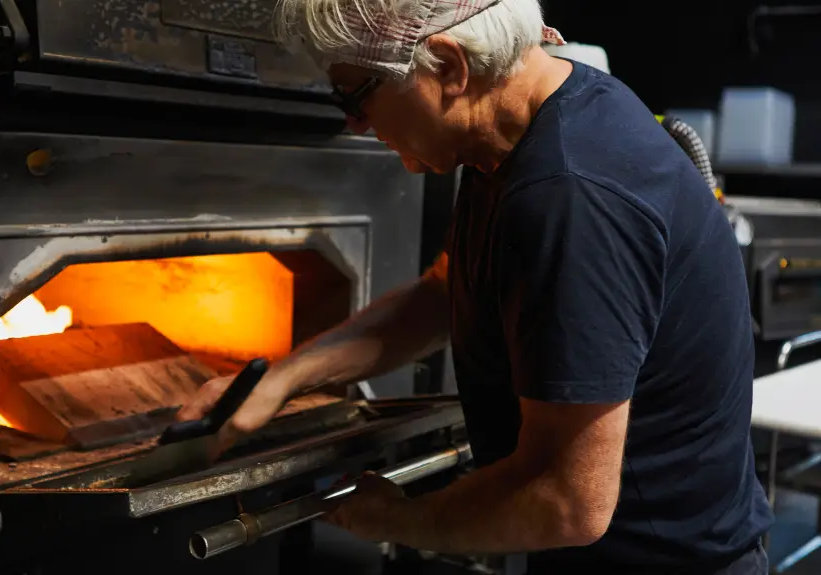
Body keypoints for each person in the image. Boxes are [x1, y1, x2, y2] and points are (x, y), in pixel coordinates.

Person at [177, 0, 774, 572]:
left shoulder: (569, 195)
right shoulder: (521, 127)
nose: (353, 122)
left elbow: (567, 504)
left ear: (448, 66)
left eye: (355, 93)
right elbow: (444, 294)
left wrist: (399, 519)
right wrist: (279, 380)